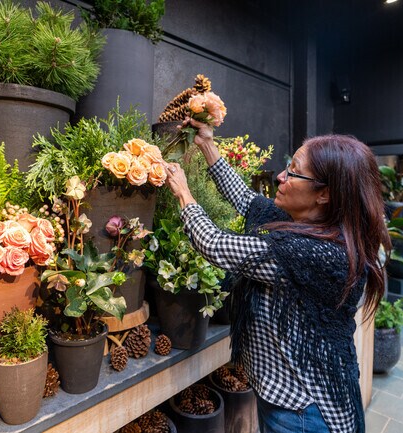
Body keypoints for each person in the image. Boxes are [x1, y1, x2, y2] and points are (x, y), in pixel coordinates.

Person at [164, 119, 391, 433]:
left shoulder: (314, 251)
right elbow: (247, 200)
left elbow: (216, 245)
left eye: (294, 171)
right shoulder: (306, 223)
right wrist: (207, 144)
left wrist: (183, 193)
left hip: (304, 413)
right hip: (289, 400)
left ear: (324, 194)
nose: (281, 176)